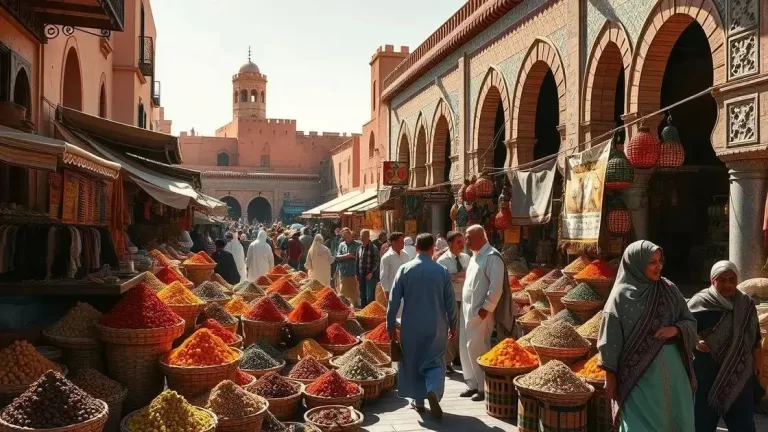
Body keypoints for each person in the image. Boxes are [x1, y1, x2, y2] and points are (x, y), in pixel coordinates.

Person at [598, 240, 697, 431]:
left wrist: (675, 329)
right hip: (638, 376)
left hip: (674, 372)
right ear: (636, 263)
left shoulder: (668, 288)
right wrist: (610, 377)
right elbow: (610, 340)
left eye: (660, 261)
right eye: (652, 262)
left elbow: (690, 321)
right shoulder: (620, 297)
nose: (658, 266)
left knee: (677, 419)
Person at [387, 233, 456, 418]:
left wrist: (390, 324)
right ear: (433, 248)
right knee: (434, 361)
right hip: (437, 326)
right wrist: (454, 325)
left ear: (416, 248)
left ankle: (418, 401)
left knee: (413, 361)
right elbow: (450, 302)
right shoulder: (441, 271)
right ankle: (433, 389)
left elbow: (393, 301)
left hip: (411, 326)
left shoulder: (404, 269)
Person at [688, 260, 762, 432]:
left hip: (739, 375)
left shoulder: (746, 304)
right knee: (702, 424)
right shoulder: (699, 303)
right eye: (722, 280)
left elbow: (755, 336)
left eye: (732, 279)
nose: (728, 284)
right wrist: (695, 340)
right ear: (712, 280)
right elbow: (684, 329)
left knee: (743, 425)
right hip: (706, 376)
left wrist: (757, 360)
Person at [459, 225, 506, 401]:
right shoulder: (474, 256)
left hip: (481, 313)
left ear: (481, 237)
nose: (466, 241)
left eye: (469, 237)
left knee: (478, 347)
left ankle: (482, 386)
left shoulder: (492, 257)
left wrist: (487, 308)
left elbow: (496, 287)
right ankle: (471, 383)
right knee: (466, 346)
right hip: (467, 311)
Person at [436, 231, 471, 374]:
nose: (462, 245)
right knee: (451, 330)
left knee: (463, 329)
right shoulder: (442, 261)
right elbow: (441, 279)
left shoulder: (467, 258)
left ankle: (459, 357)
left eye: (462, 242)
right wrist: (457, 275)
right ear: (450, 244)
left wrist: (461, 276)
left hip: (465, 298)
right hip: (450, 299)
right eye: (458, 242)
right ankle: (446, 360)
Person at [335, 228, 362, 306]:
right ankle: (345, 308)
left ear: (350, 235)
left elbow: (362, 257)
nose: (346, 238)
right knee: (343, 294)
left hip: (354, 273)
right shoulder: (342, 244)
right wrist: (346, 256)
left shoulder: (358, 244)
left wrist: (355, 257)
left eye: (347, 236)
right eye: (344, 237)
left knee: (355, 294)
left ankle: (356, 308)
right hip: (344, 272)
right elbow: (337, 256)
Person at [356, 229, 380, 307]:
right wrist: (357, 274)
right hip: (361, 274)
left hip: (370, 275)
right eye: (361, 236)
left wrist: (371, 272)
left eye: (364, 236)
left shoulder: (373, 248)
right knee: (362, 293)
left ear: (368, 237)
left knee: (370, 295)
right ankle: (364, 310)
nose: (362, 238)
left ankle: (370, 311)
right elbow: (357, 262)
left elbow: (376, 261)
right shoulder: (359, 248)